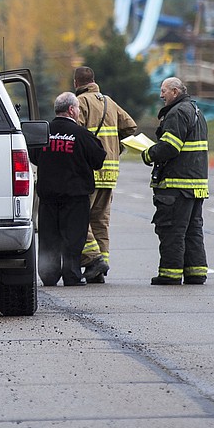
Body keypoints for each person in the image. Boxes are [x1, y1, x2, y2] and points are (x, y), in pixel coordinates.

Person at [29, 92, 107, 287]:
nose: (79, 112)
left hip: (48, 197)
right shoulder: (81, 135)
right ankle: (71, 275)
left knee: (48, 237)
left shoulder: (44, 132)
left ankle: (48, 275)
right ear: (72, 110)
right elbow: (98, 159)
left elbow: (34, 156)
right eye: (78, 109)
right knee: (73, 237)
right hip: (75, 196)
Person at [72, 66, 139, 283]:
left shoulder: (81, 103)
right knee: (101, 221)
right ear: (94, 80)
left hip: (90, 171)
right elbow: (130, 127)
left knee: (79, 219)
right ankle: (99, 271)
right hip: (110, 171)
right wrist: (116, 147)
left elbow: (75, 133)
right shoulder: (109, 102)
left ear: (76, 83)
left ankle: (93, 260)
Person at [142, 76, 210, 285]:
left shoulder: (177, 112)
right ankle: (195, 272)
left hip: (177, 185)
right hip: (195, 185)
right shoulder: (195, 111)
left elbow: (170, 147)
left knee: (171, 229)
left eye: (164, 91)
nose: (161, 95)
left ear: (175, 92)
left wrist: (148, 154)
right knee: (192, 231)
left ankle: (170, 274)